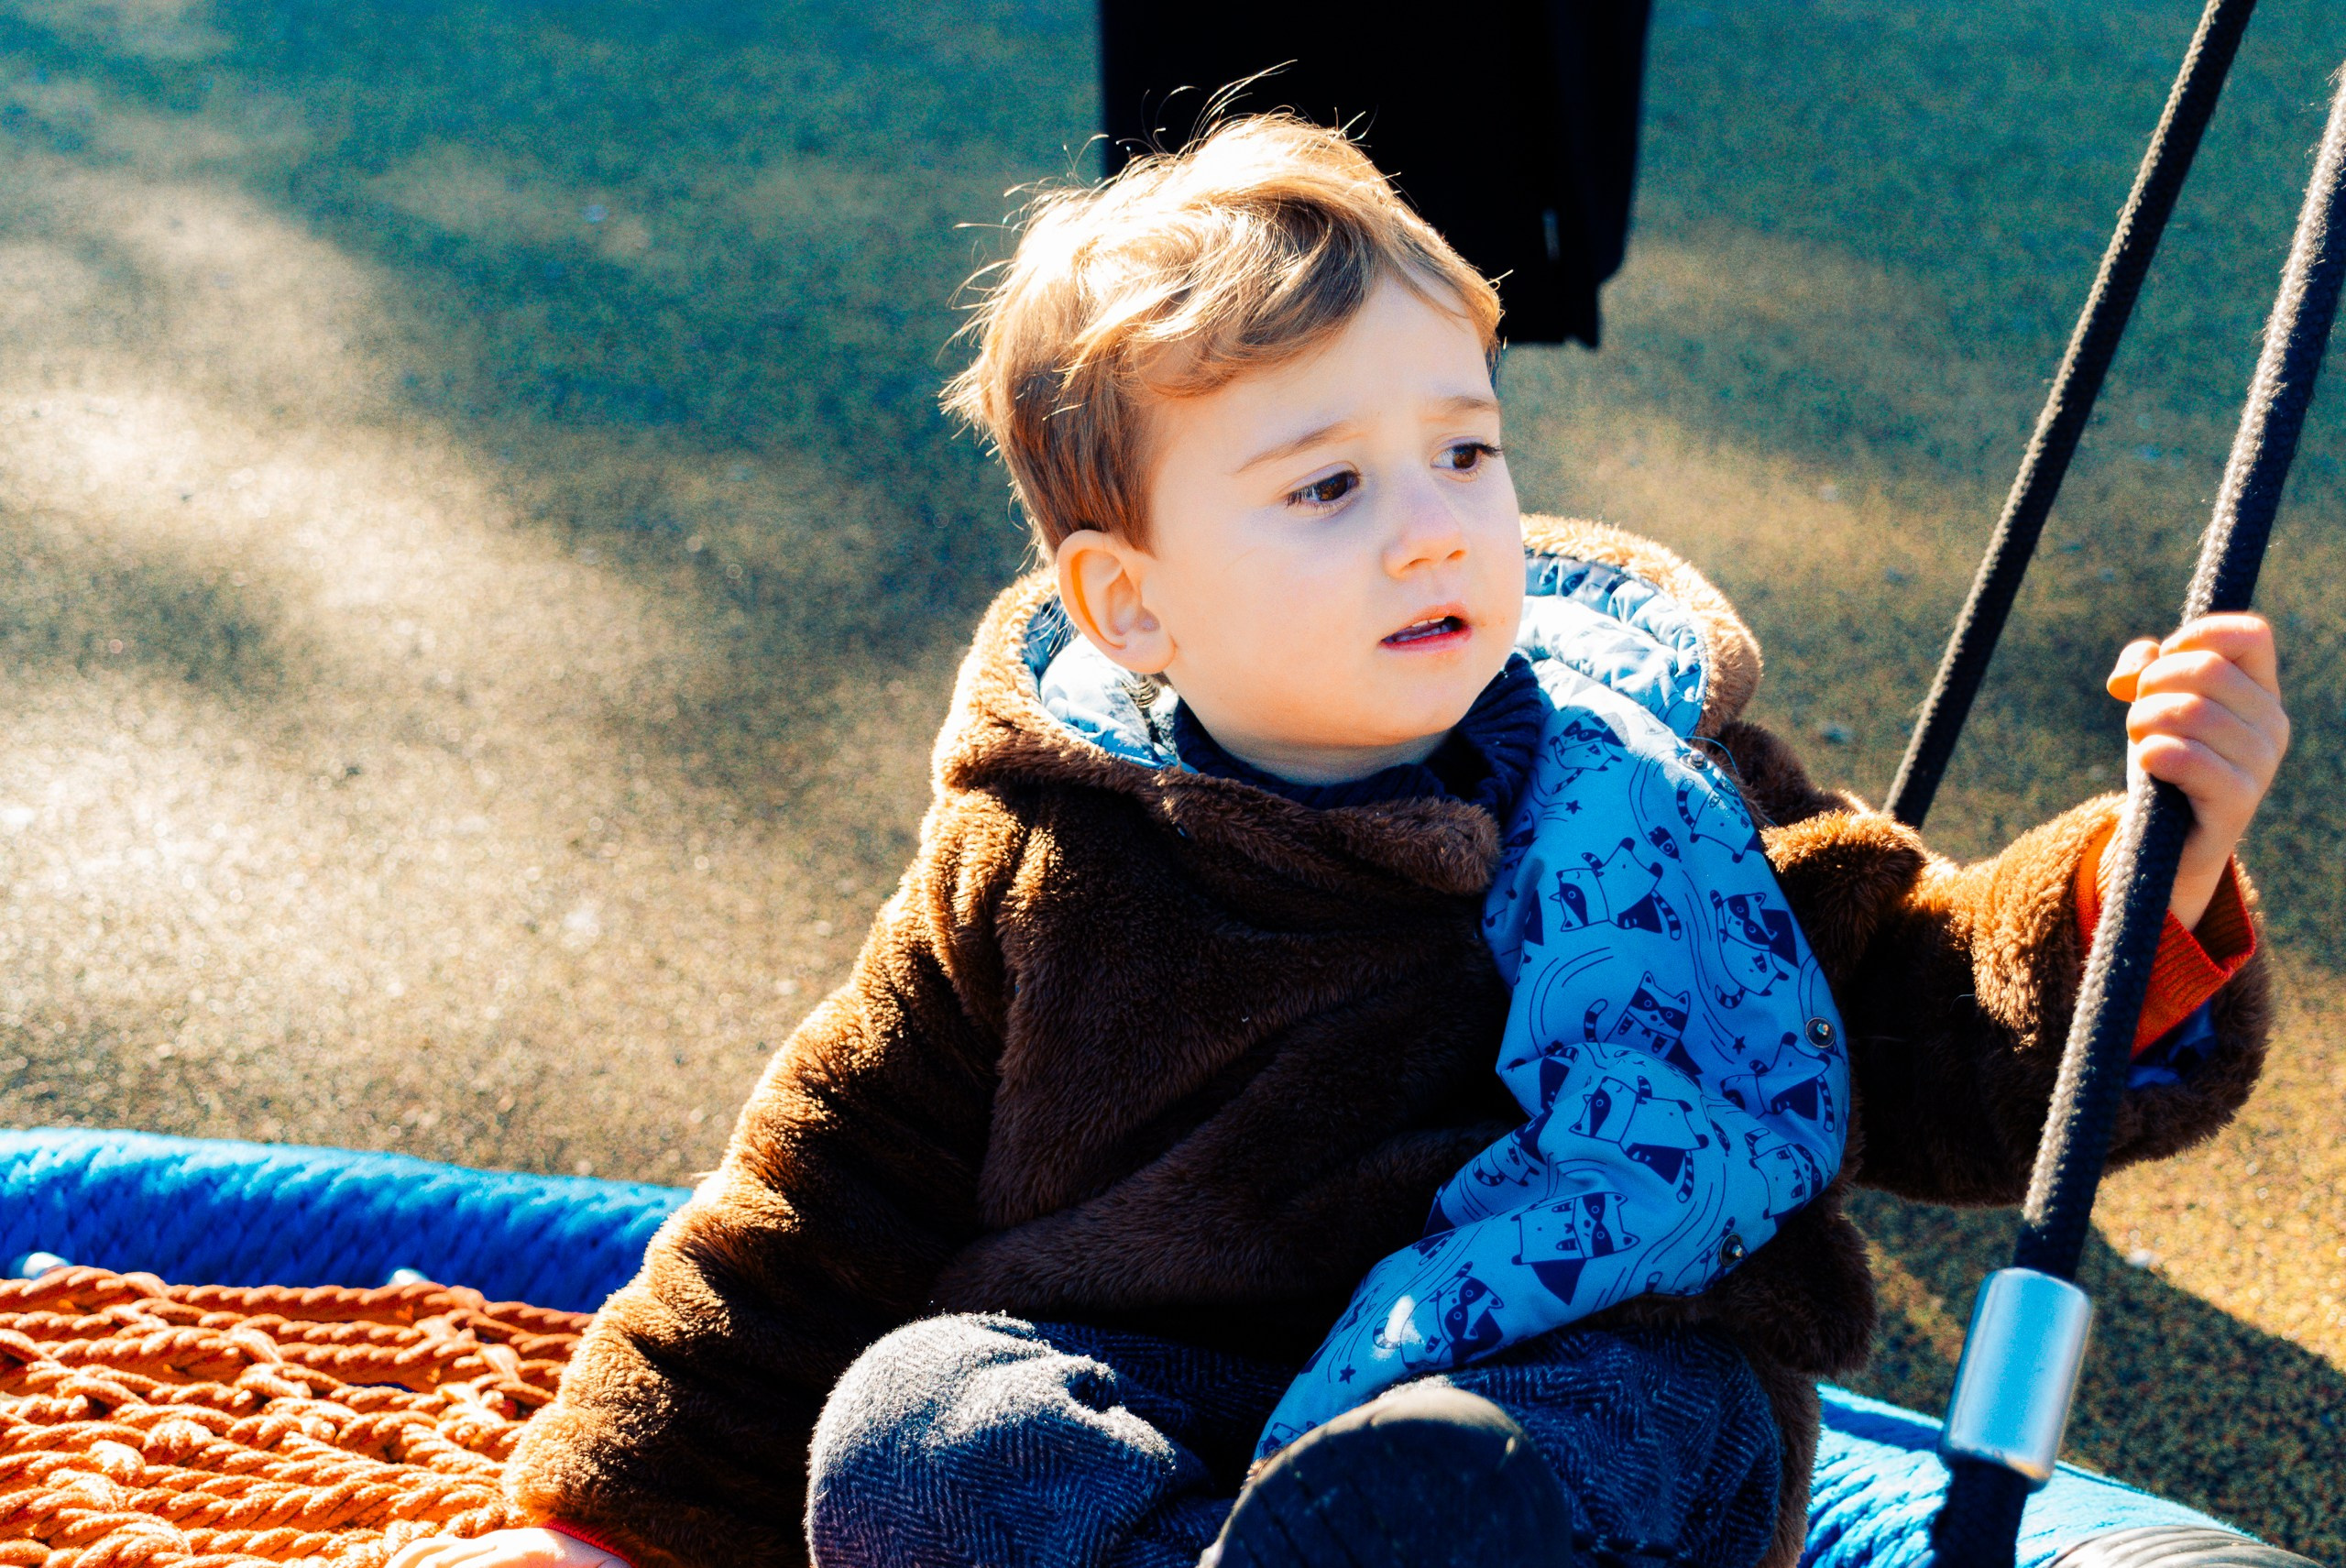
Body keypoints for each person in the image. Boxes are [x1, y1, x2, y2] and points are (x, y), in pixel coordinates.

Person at [387, 115, 2286, 1568]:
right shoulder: (1048, 851)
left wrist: (2153, 875)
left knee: (1623, 1421)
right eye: (1326, 487)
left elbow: (1926, 1011)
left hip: (1554, 1393)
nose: (1433, 524)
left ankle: (1402, 1521)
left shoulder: (1654, 779)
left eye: (1464, 448)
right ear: (1132, 602)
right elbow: (828, 1187)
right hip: (1177, 1411)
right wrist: (614, 1516)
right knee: (922, 1423)